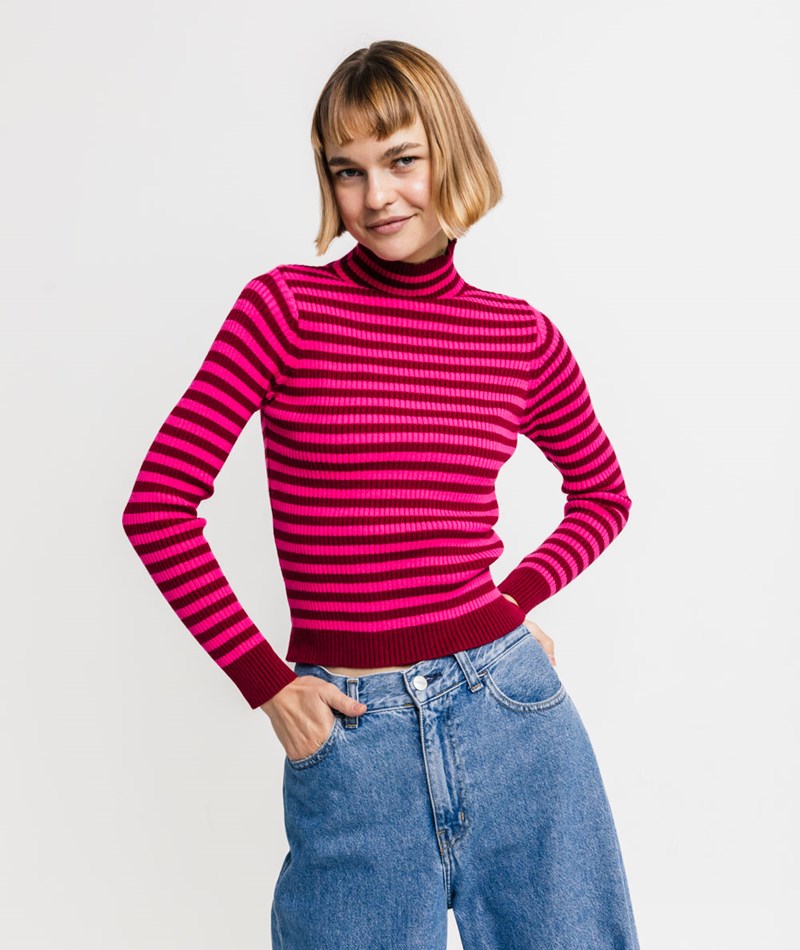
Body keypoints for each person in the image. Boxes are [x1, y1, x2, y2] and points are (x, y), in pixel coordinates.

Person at [122, 39, 640, 950]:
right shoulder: (284, 311)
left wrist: (512, 603)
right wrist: (266, 683)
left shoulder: (519, 337)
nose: (377, 197)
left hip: (512, 717)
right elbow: (158, 507)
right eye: (348, 170)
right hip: (354, 740)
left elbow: (602, 493)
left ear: (450, 153)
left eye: (402, 159)